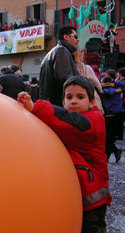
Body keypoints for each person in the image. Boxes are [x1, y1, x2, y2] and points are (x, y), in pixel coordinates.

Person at [18, 76, 111, 233]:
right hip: (74, 195)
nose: (73, 101)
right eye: (69, 97)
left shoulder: (94, 121)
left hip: (92, 199)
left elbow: (71, 122)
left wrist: (37, 108)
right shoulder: (67, 123)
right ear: (63, 102)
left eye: (80, 97)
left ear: (92, 102)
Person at [39, 26, 79, 106]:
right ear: (66, 37)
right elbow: (64, 79)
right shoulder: (62, 50)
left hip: (52, 105)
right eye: (75, 37)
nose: (77, 40)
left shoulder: (55, 51)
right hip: (59, 106)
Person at [73, 46, 104, 114]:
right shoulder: (86, 68)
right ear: (79, 54)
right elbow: (97, 85)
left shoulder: (68, 67)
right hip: (87, 100)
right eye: (83, 54)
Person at [101, 77, 123, 162]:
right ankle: (113, 153)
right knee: (111, 138)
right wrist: (115, 83)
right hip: (116, 116)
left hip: (106, 117)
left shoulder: (101, 91)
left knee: (107, 139)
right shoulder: (118, 90)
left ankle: (110, 154)